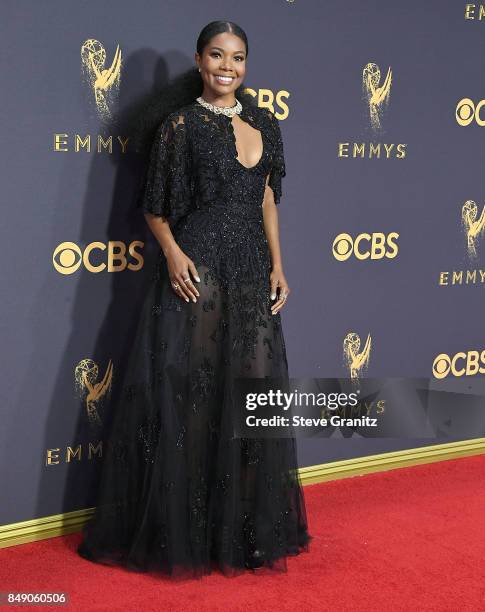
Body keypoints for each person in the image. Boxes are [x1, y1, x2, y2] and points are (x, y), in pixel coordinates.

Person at [77, 19, 312, 579]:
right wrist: (174, 254)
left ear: (246, 65)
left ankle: (244, 532)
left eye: (237, 58)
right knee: (194, 400)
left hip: (252, 272)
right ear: (199, 60)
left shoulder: (267, 124)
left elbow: (267, 203)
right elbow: (155, 207)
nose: (227, 67)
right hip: (198, 273)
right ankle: (187, 534)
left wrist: (279, 264)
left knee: (253, 398)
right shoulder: (179, 126)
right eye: (216, 55)